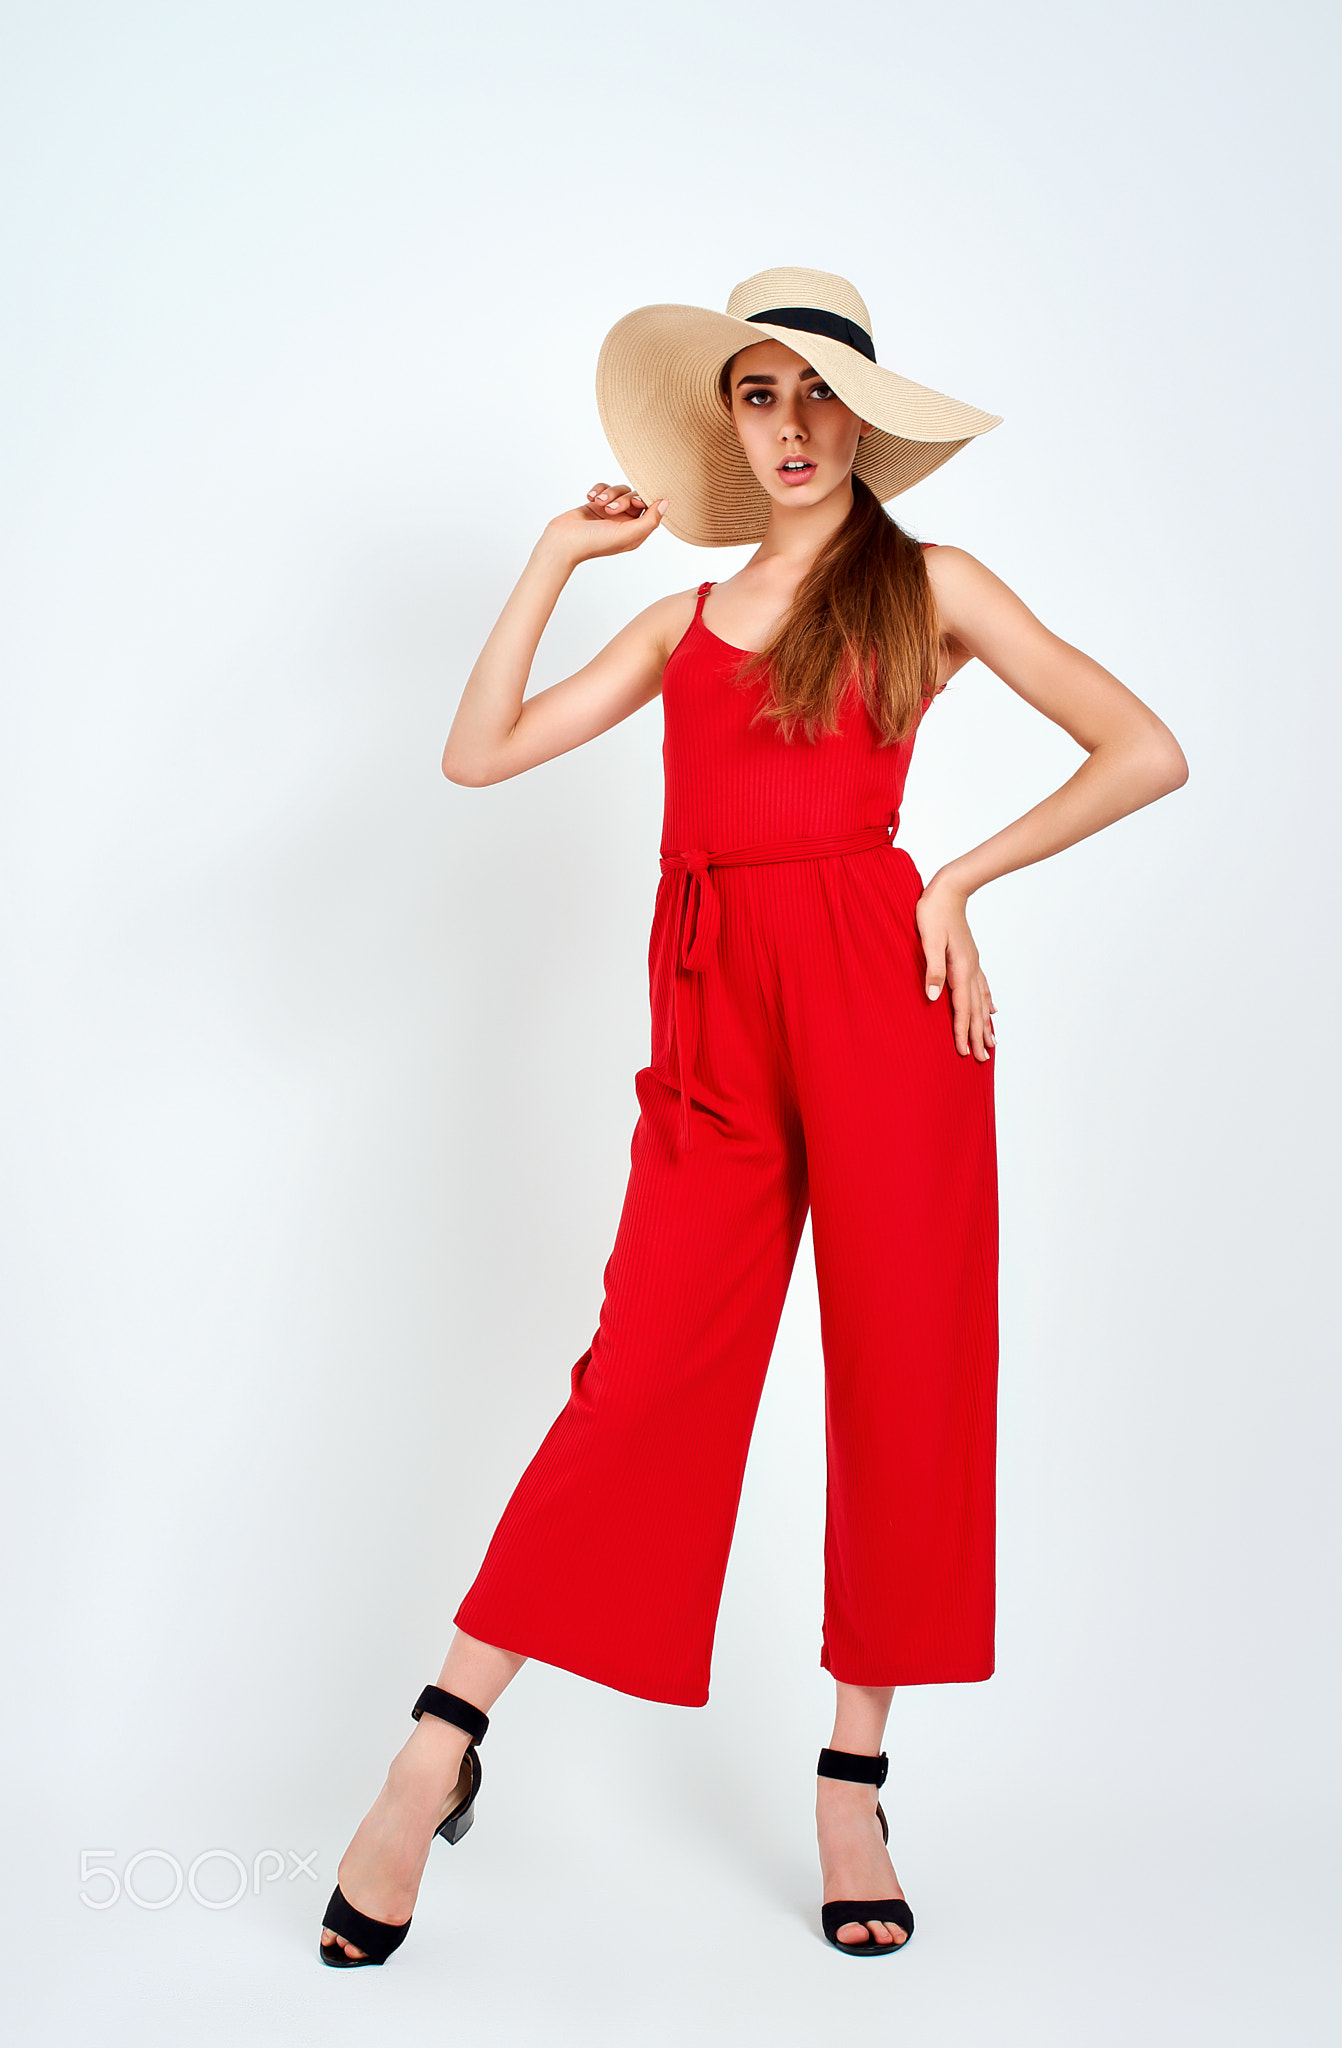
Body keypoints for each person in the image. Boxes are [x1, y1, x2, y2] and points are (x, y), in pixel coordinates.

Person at [319, 267, 1188, 1968]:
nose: (787, 428)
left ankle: (851, 1779)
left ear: (865, 415)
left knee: (904, 1368)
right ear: (727, 422)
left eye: (813, 396)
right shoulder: (681, 622)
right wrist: (559, 558)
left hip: (883, 999)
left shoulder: (930, 587)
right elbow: (475, 754)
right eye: (754, 396)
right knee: (642, 1371)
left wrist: (957, 874)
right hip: (713, 1018)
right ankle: (437, 1748)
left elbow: (1140, 748)